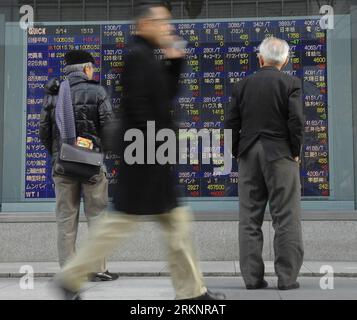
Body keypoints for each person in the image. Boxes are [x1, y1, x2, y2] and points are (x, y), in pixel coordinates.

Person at [54, 2, 225, 300]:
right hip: (146, 155)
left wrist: (175, 62)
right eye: (162, 22)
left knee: (171, 224)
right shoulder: (137, 58)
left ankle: (192, 292)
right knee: (123, 223)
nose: (167, 28)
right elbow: (143, 108)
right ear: (144, 25)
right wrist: (153, 150)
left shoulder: (147, 57)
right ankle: (70, 277)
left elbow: (164, 96)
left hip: (150, 153)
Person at [225, 37, 304, 290]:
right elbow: (297, 121)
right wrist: (295, 151)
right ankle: (287, 279)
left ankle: (252, 279)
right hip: (281, 154)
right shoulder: (291, 83)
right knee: (287, 217)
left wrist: (238, 151)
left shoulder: (242, 85)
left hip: (249, 154)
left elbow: (230, 124)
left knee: (249, 218)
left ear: (260, 59)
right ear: (286, 60)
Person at [39, 50, 119, 282]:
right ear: (86, 69)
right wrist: (98, 151)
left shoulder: (53, 94)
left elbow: (44, 131)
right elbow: (109, 128)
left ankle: (69, 271)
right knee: (97, 217)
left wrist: (59, 154)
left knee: (66, 218)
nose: (93, 71)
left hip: (62, 168)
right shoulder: (97, 91)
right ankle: (98, 269)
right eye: (92, 67)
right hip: (92, 166)